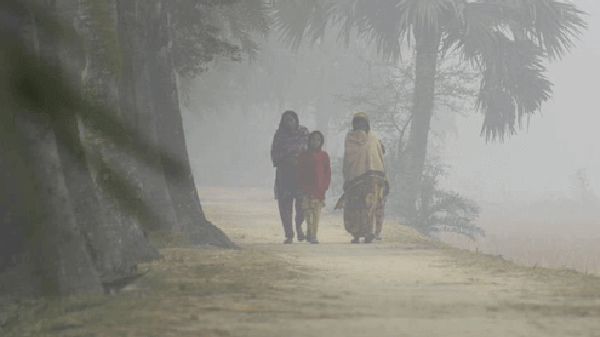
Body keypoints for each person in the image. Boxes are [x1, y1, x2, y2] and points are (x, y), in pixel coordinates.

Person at [335, 112, 388, 244]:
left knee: (368, 205)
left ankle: (368, 232)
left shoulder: (373, 136)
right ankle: (356, 234)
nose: (360, 125)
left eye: (362, 122)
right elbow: (349, 156)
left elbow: (379, 153)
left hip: (372, 176)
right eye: (357, 122)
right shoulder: (350, 137)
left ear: (367, 123)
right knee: (354, 205)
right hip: (355, 177)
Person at [271, 110, 309, 244]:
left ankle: (299, 226)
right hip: (284, 174)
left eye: (291, 119)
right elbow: (274, 155)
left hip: (301, 174)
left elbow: (309, 151)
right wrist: (288, 156)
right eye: (286, 120)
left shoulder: (304, 133)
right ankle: (288, 234)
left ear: (296, 120)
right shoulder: (279, 135)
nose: (289, 122)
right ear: (283, 122)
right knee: (285, 205)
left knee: (301, 204)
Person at [297, 131, 331, 244]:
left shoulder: (324, 156)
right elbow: (299, 173)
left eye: (318, 140)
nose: (315, 142)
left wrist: (325, 186)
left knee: (316, 214)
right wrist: (302, 186)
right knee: (307, 213)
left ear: (321, 142)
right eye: (313, 139)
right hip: (306, 190)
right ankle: (310, 232)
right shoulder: (303, 156)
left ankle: (313, 235)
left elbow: (327, 173)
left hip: (319, 190)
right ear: (309, 141)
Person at [374, 140, 390, 241]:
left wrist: (386, 190)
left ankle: (378, 232)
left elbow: (385, 179)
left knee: (379, 212)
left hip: (380, 190)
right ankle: (371, 231)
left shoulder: (381, 164)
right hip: (371, 190)